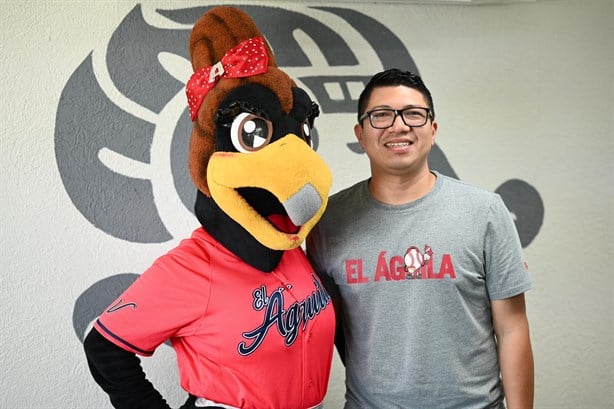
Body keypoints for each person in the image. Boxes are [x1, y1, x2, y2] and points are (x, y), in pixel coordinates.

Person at [306, 68, 534, 409]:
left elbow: (513, 327)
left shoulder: (484, 212)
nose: (399, 126)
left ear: (433, 129)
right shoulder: (329, 222)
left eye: (414, 114)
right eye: (381, 116)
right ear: (360, 134)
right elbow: (335, 328)